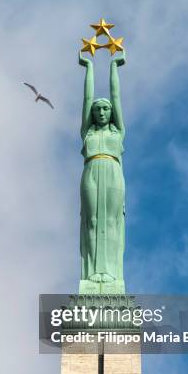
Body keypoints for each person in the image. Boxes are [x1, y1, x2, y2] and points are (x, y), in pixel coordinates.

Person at [78, 50, 126, 284]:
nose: (101, 112)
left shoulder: (118, 132)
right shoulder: (87, 133)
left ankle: (111, 272)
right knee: (93, 221)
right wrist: (89, 67)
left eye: (105, 109)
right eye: (98, 110)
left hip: (113, 172)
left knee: (111, 221)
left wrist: (114, 67)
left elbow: (115, 96)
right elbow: (87, 100)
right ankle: (93, 272)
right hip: (91, 171)